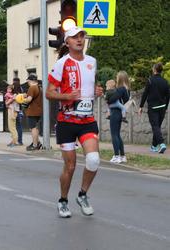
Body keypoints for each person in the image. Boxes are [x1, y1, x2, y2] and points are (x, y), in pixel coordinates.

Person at [46, 26, 103, 218]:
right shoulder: (62, 63)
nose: (80, 39)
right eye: (75, 37)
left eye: (82, 36)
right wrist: (67, 95)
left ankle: (83, 194)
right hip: (66, 121)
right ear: (67, 42)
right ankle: (63, 200)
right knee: (70, 166)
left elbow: (90, 84)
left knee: (94, 160)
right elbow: (49, 93)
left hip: (87, 120)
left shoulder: (92, 62)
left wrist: (97, 91)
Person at [138, 62, 169, 154]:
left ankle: (161, 144)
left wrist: (141, 106)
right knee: (157, 127)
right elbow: (168, 95)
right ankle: (154, 146)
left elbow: (145, 94)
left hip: (153, 107)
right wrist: (166, 106)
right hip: (162, 107)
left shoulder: (150, 80)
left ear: (154, 70)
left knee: (155, 127)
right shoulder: (165, 81)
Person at [107, 71, 130, 163]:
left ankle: (117, 156)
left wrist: (108, 97)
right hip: (120, 113)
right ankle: (123, 156)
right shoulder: (127, 89)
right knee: (117, 134)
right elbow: (126, 101)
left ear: (119, 78)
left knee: (114, 134)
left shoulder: (121, 89)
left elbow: (111, 99)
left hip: (115, 113)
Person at [23, 74, 43, 151]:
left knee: (33, 128)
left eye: (28, 81)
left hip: (32, 111)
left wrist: (21, 99)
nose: (27, 83)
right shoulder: (39, 88)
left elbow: (29, 99)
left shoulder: (32, 87)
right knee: (36, 128)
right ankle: (38, 143)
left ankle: (35, 145)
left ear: (30, 81)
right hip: (38, 111)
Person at [13, 77, 24, 145]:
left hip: (13, 110)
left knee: (13, 126)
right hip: (20, 110)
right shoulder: (21, 89)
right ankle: (20, 141)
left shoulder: (12, 90)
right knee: (19, 126)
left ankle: (15, 140)